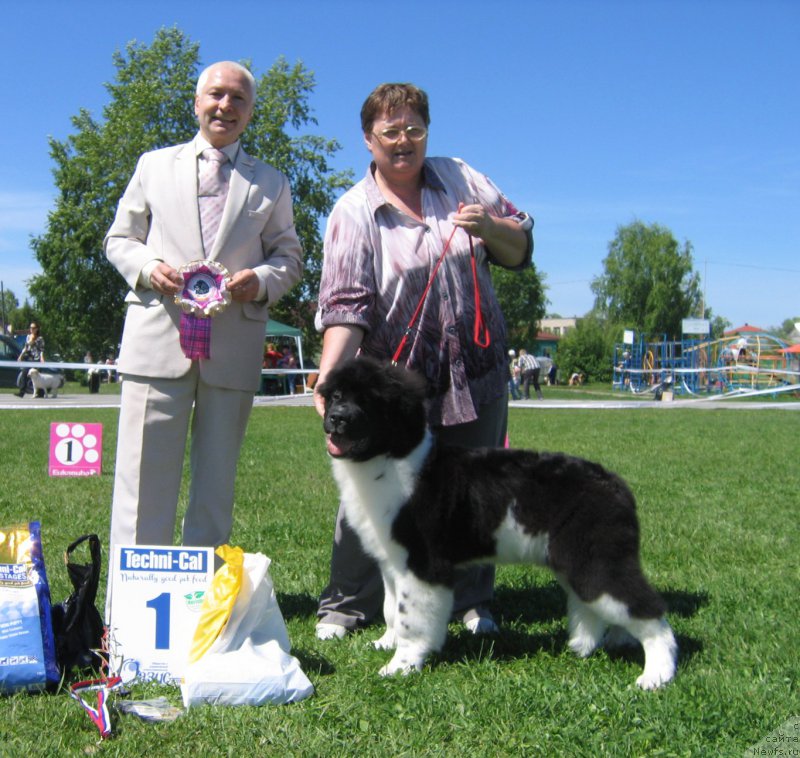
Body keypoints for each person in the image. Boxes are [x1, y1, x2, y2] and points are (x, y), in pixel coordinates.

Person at [313, 83, 533, 640]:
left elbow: (521, 249)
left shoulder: (460, 176)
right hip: (397, 389)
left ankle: (471, 602)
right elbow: (345, 306)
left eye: (414, 127)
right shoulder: (353, 211)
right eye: (391, 131)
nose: (403, 140)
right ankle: (348, 604)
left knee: (474, 491)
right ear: (369, 139)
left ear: (427, 131)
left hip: (477, 372)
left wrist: (492, 228)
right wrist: (329, 380)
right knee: (374, 488)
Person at [104, 61, 303, 551]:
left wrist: (258, 280)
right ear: (196, 103)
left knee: (215, 489)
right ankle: (129, 604)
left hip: (231, 351)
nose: (225, 106)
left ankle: (202, 599)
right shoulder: (153, 165)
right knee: (140, 486)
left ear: (251, 111)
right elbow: (120, 239)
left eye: (238, 99)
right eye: (216, 94)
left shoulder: (272, 183)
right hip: (156, 342)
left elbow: (289, 257)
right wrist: (150, 268)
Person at [16, 322, 45, 397]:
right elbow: (26, 347)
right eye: (30, 327)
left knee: (38, 375)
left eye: (33, 328)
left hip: (36, 359)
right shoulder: (28, 337)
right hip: (29, 358)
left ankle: (41, 393)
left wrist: (42, 358)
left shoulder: (40, 338)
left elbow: (41, 349)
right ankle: (22, 392)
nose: (31, 329)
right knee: (24, 372)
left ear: (37, 329)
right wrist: (20, 356)